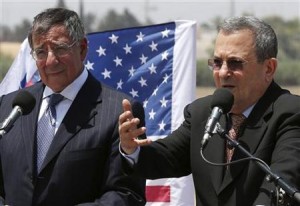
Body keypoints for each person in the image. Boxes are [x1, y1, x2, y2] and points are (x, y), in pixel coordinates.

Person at [119, 16, 300, 206]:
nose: (222, 72)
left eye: (235, 63)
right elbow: (166, 157)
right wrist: (132, 149)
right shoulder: (203, 112)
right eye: (217, 62)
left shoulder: (290, 113)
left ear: (269, 68)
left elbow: (284, 180)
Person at [0, 8, 146, 206]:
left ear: (83, 48)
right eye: (41, 52)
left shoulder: (119, 112)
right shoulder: (10, 107)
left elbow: (127, 194)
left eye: (60, 49)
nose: (51, 61)